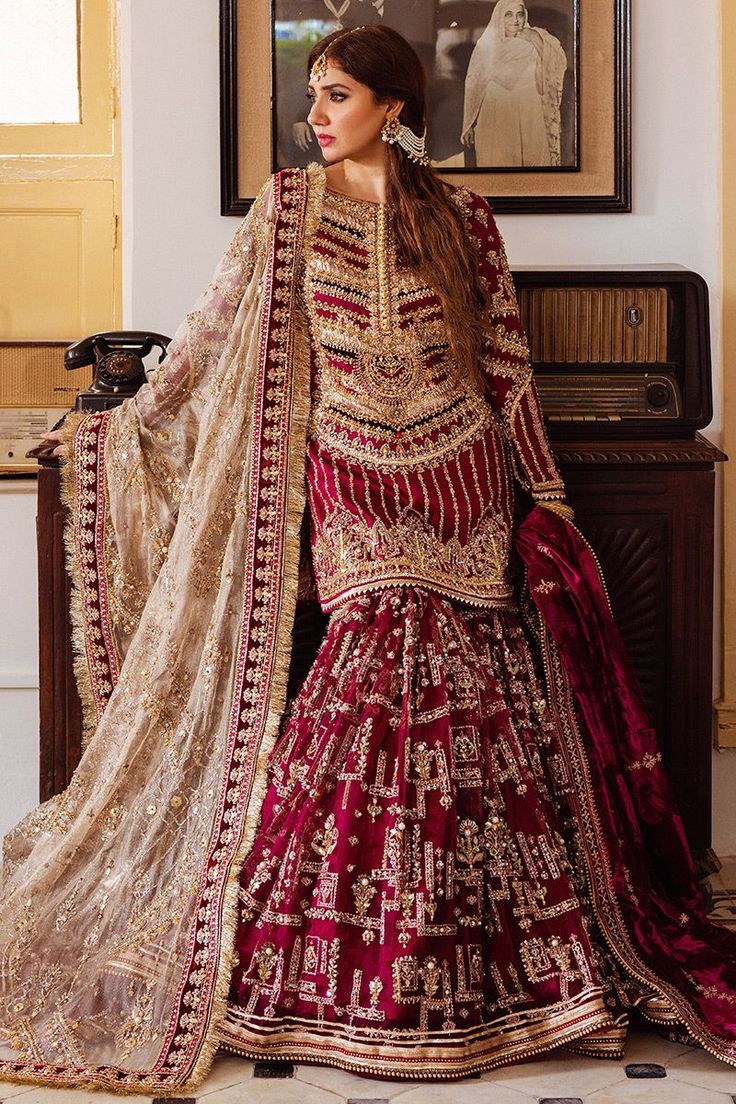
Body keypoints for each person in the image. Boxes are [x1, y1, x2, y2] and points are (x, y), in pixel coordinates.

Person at [6, 23, 736, 1093]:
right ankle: (328, 966)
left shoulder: (461, 219)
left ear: (392, 106)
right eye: (314, 93)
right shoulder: (286, 211)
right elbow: (209, 339)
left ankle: (513, 976)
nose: (317, 113)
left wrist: (547, 493)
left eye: (337, 94)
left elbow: (505, 366)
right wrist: (119, 424)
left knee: (477, 699)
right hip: (350, 474)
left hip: (460, 471)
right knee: (374, 677)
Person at [462, 0, 567, 167]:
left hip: (530, 114)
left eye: (519, 14)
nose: (515, 20)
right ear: (498, 17)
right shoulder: (487, 43)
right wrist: (468, 123)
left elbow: (558, 63)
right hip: (495, 113)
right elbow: (474, 82)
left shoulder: (538, 36)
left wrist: (535, 39)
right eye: (508, 15)